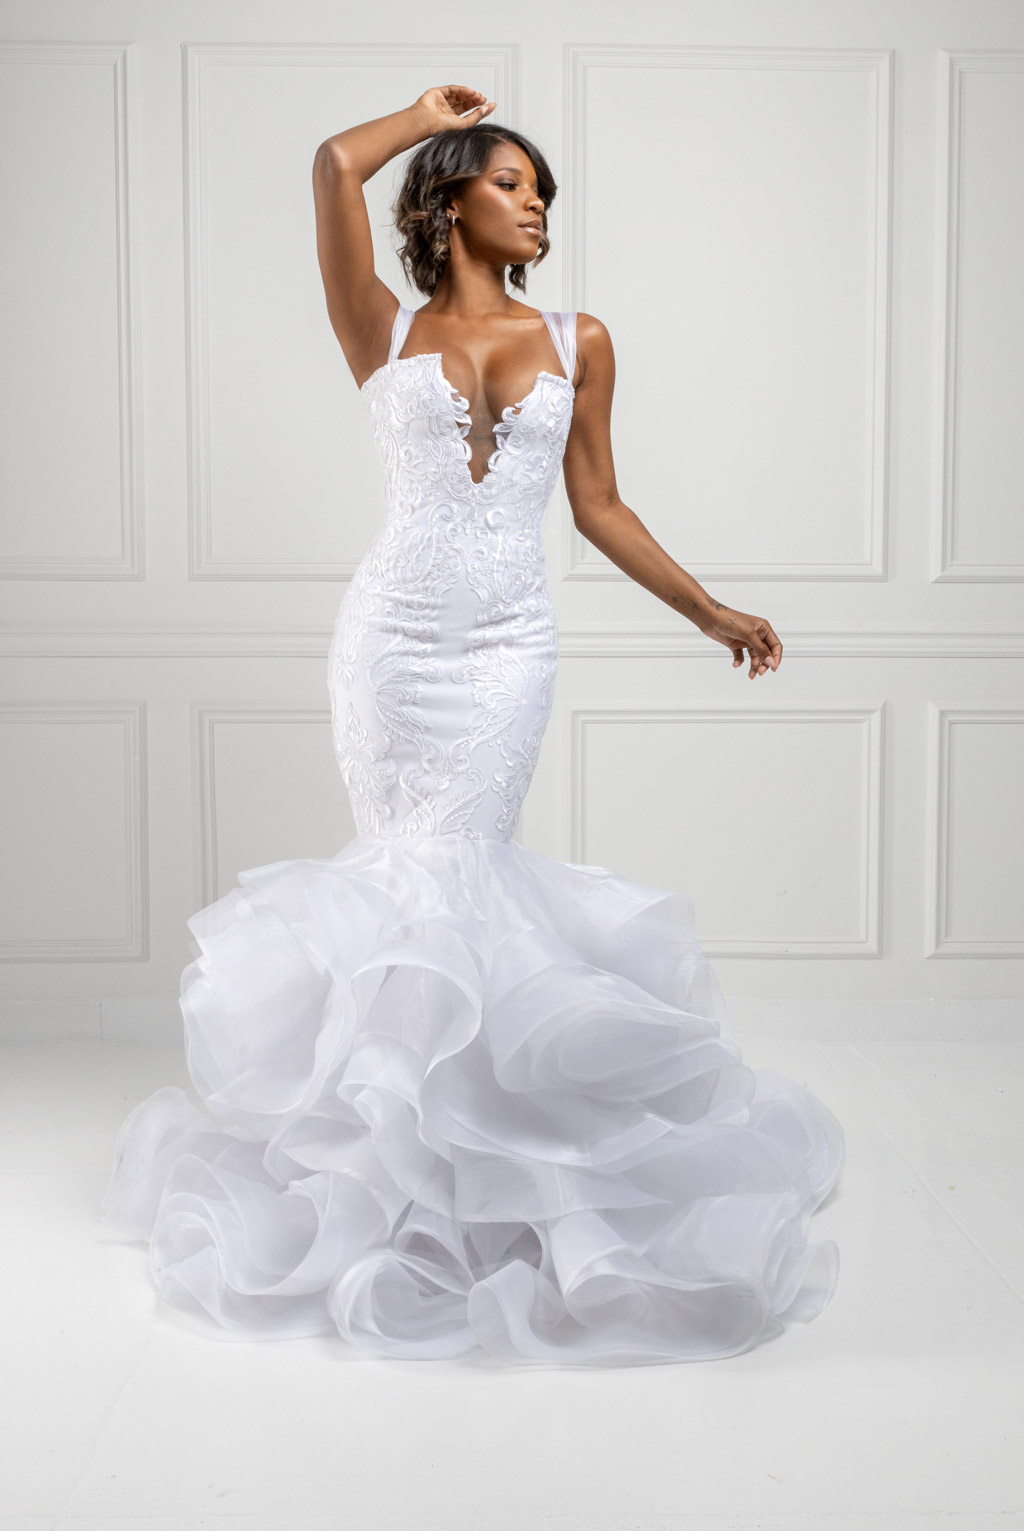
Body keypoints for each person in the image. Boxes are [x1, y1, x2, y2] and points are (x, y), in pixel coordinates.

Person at [99, 84, 845, 1365]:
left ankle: (489, 1189)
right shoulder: (379, 331)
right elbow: (335, 162)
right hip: (389, 644)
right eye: (512, 182)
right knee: (404, 891)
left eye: (543, 187)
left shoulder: (581, 336)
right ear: (450, 203)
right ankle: (386, 1195)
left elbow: (599, 505)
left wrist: (710, 610)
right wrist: (424, 111)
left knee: (466, 880)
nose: (538, 201)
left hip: (506, 649)